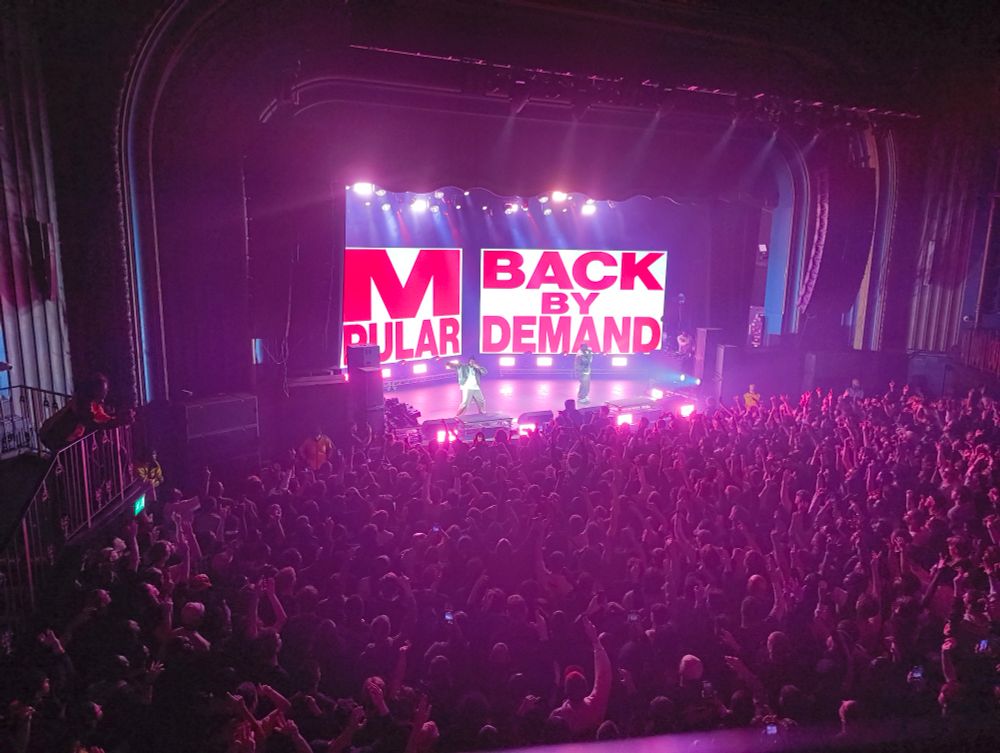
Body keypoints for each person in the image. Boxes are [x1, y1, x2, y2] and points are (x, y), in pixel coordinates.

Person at [38, 372, 134, 452]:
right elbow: (91, 422)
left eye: (105, 391)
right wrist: (118, 421)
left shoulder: (94, 404)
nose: (104, 396)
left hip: (65, 439)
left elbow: (102, 418)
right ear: (94, 390)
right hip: (52, 435)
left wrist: (118, 417)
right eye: (102, 391)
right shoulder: (82, 402)